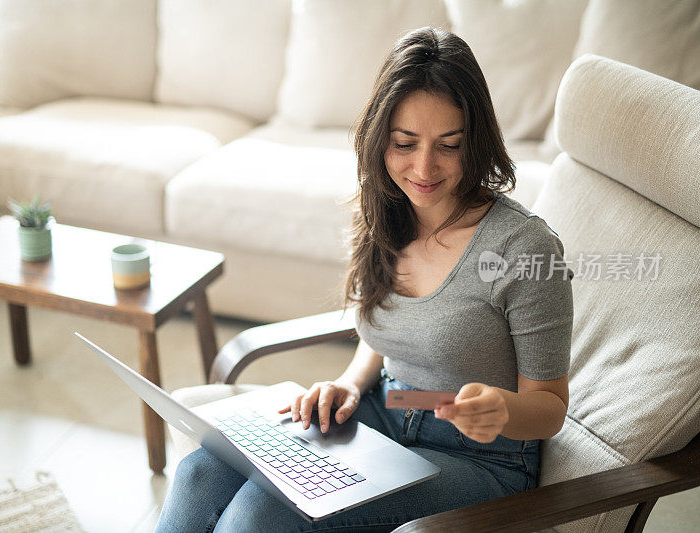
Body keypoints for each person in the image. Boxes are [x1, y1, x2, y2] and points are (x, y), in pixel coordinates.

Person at [156, 26, 573, 533]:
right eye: (404, 143)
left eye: (449, 145)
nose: (424, 167)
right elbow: (387, 332)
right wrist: (349, 385)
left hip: (484, 461)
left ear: (477, 140)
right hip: (385, 411)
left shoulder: (525, 248)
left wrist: (505, 410)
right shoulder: (387, 212)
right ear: (379, 139)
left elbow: (550, 407)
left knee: (259, 518)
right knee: (204, 468)